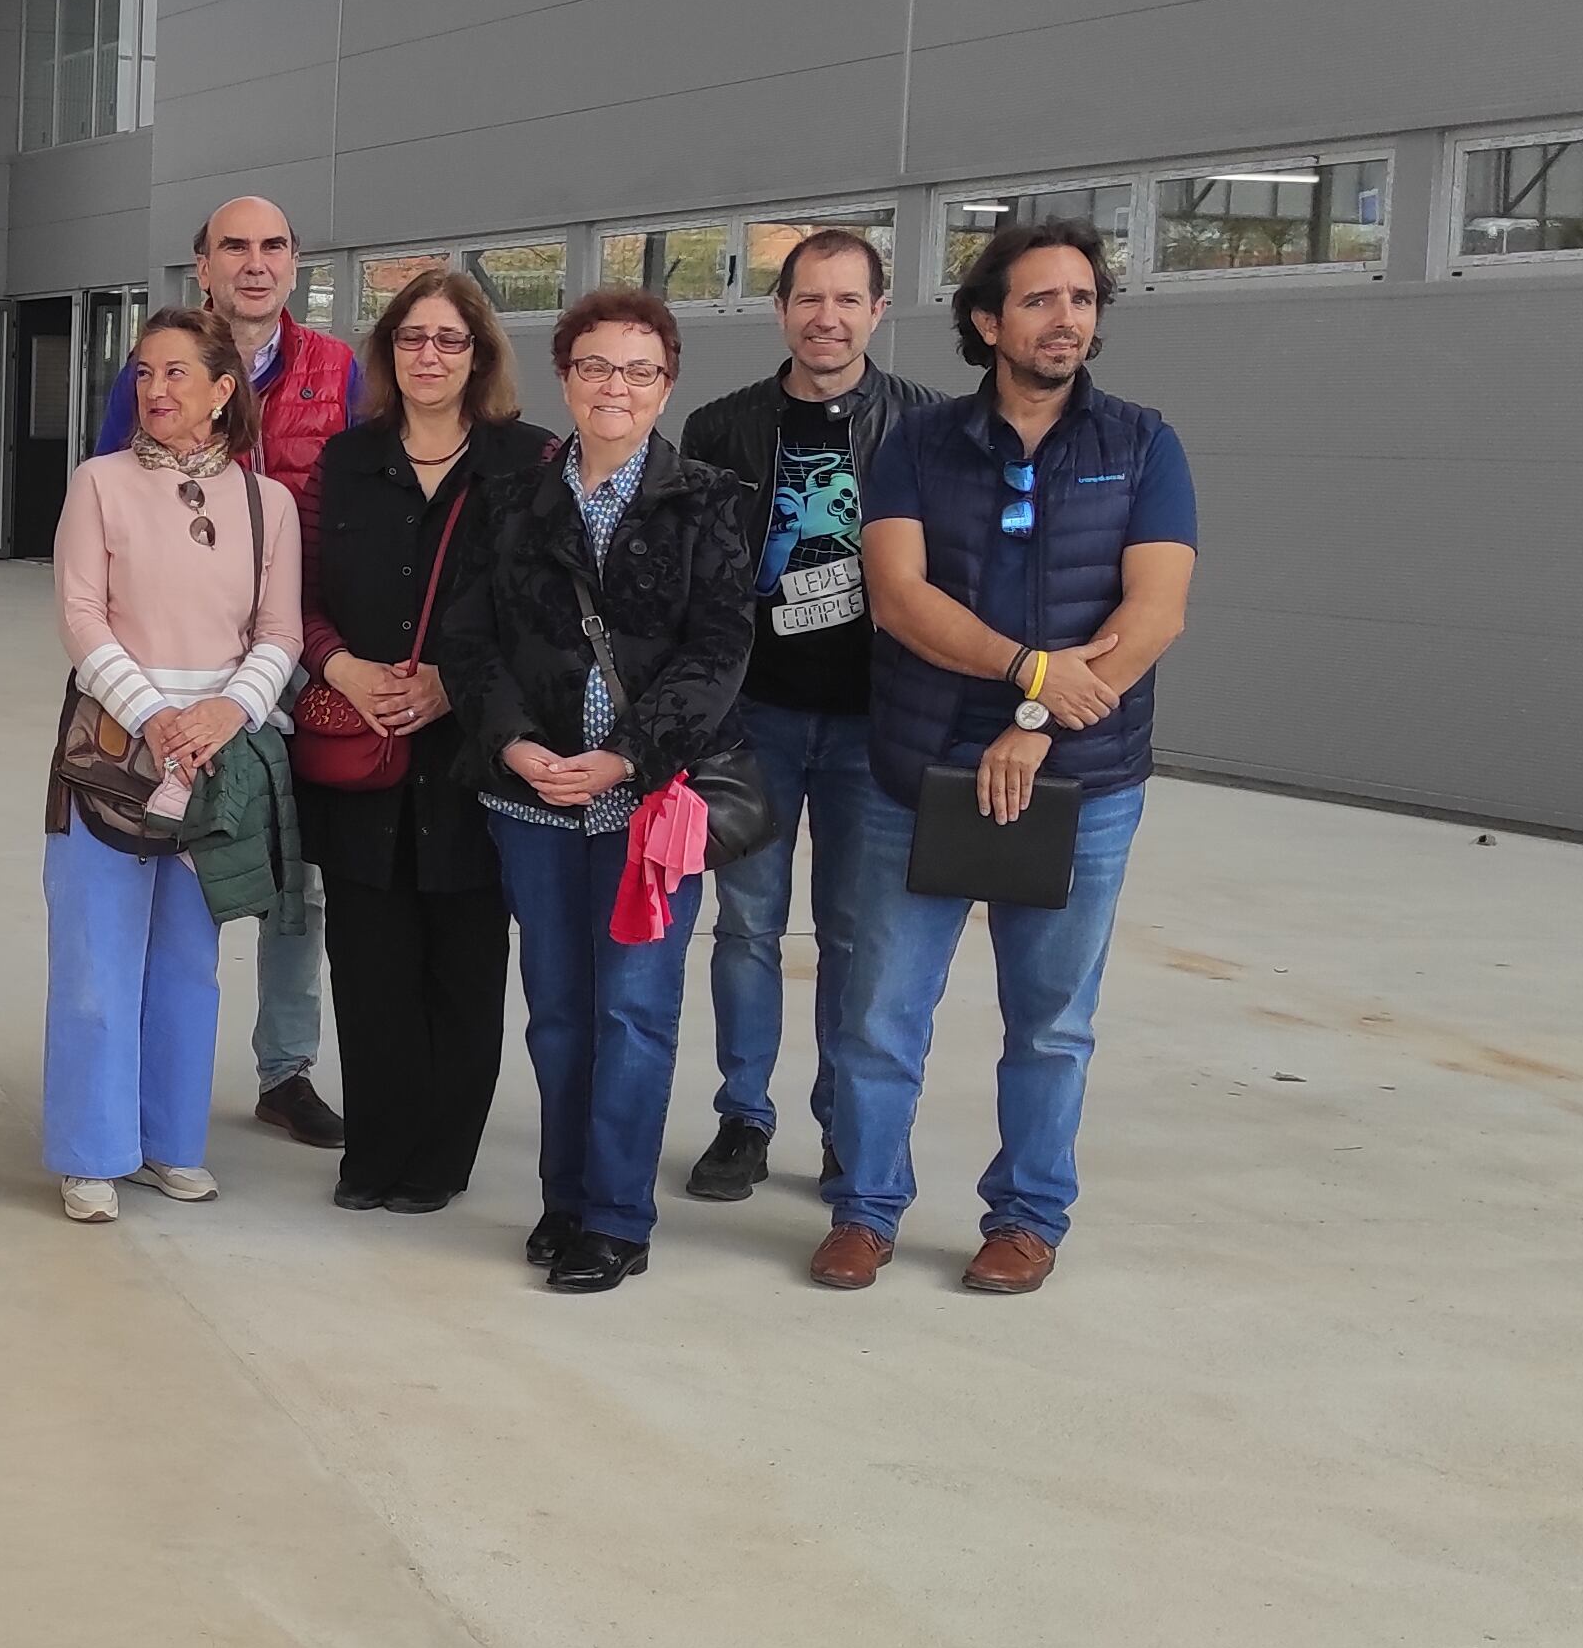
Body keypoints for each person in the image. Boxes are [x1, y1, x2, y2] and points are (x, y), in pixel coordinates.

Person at [816, 218, 1198, 1295]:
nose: (1064, 319)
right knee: (880, 1012)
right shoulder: (916, 445)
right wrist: (1029, 673)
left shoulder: (1140, 444)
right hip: (915, 771)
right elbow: (897, 599)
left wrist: (1032, 723)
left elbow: (1154, 611)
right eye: (1038, 300)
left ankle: (1024, 1218)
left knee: (1050, 1022)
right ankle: (864, 1208)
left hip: (1082, 782)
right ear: (986, 322)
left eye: (1079, 299)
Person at [446, 289, 757, 1293]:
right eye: (592, 367)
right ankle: (563, 1197)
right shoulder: (508, 501)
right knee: (556, 1011)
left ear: (665, 384)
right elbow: (469, 642)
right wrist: (514, 747)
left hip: (647, 807)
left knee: (631, 1009)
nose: (612, 387)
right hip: (531, 805)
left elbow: (717, 653)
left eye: (635, 370)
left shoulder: (707, 500)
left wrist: (626, 754)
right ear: (564, 377)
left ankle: (616, 1217)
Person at [675, 227, 939, 1204]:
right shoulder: (722, 428)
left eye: (845, 300)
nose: (824, 318)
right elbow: (699, 582)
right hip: (757, 719)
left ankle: (842, 1122)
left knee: (853, 935)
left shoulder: (924, 426)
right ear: (780, 309)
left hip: (877, 724)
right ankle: (742, 1115)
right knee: (745, 928)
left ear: (876, 311)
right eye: (806, 299)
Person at [94, 197, 359, 1150]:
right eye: (234, 247)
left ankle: (285, 1068)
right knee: (159, 862)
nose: (256, 263)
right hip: (170, 663)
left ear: (296, 262)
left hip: (296, 646)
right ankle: (134, 1085)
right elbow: (108, 505)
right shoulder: (160, 366)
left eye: (275, 246)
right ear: (201, 265)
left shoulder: (338, 370)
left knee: (296, 875)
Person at [43, 308, 302, 1224]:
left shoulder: (268, 503)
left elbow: (279, 633)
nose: (155, 391)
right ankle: (89, 1149)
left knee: (190, 963)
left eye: (177, 374)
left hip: (220, 759)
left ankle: (168, 1143)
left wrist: (225, 713)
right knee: (94, 958)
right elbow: (82, 617)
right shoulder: (100, 483)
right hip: (112, 752)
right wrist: (156, 716)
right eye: (144, 374)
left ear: (224, 390)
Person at [301, 269, 542, 1214]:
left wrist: (455, 685)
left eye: (449, 340)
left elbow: (545, 610)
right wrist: (341, 668)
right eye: (412, 340)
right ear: (387, 354)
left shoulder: (529, 460)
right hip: (359, 746)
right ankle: (373, 1153)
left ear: (478, 355)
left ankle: (440, 1162)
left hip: (474, 758)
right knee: (368, 965)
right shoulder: (344, 462)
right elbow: (303, 595)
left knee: (464, 967)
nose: (429, 356)